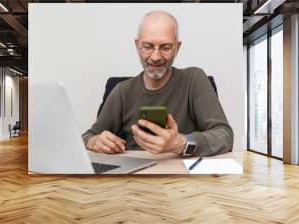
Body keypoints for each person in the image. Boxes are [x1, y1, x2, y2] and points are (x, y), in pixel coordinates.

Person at [82, 10, 233, 157]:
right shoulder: (122, 91)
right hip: (133, 178)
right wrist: (94, 141)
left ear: (176, 48)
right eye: (147, 46)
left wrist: (182, 144)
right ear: (137, 46)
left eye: (165, 47)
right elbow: (88, 136)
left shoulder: (194, 79)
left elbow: (225, 136)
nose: (155, 57)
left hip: (182, 177)